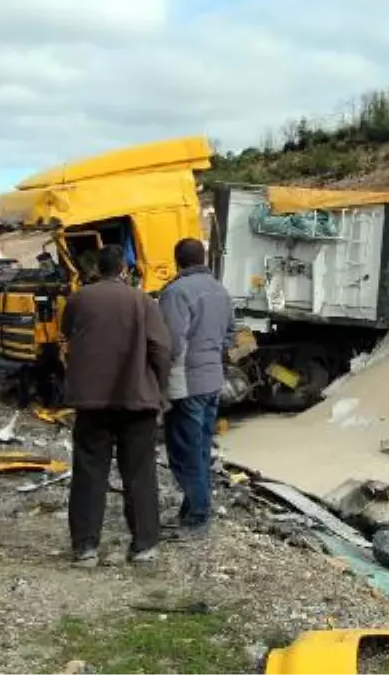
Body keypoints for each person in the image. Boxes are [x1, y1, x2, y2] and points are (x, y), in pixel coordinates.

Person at [61, 244, 172, 567]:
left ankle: (85, 548)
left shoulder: (79, 299)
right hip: (137, 400)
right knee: (139, 473)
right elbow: (161, 349)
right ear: (124, 269)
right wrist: (159, 387)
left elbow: (67, 334)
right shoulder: (143, 301)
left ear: (97, 268)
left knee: (89, 472)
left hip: (91, 401)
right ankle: (144, 544)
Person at [158, 237, 235, 543]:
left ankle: (199, 515)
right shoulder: (220, 289)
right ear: (202, 258)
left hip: (186, 382)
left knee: (183, 451)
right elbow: (231, 334)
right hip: (213, 380)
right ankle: (191, 510)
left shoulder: (176, 292)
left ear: (177, 261)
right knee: (201, 447)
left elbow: (171, 342)